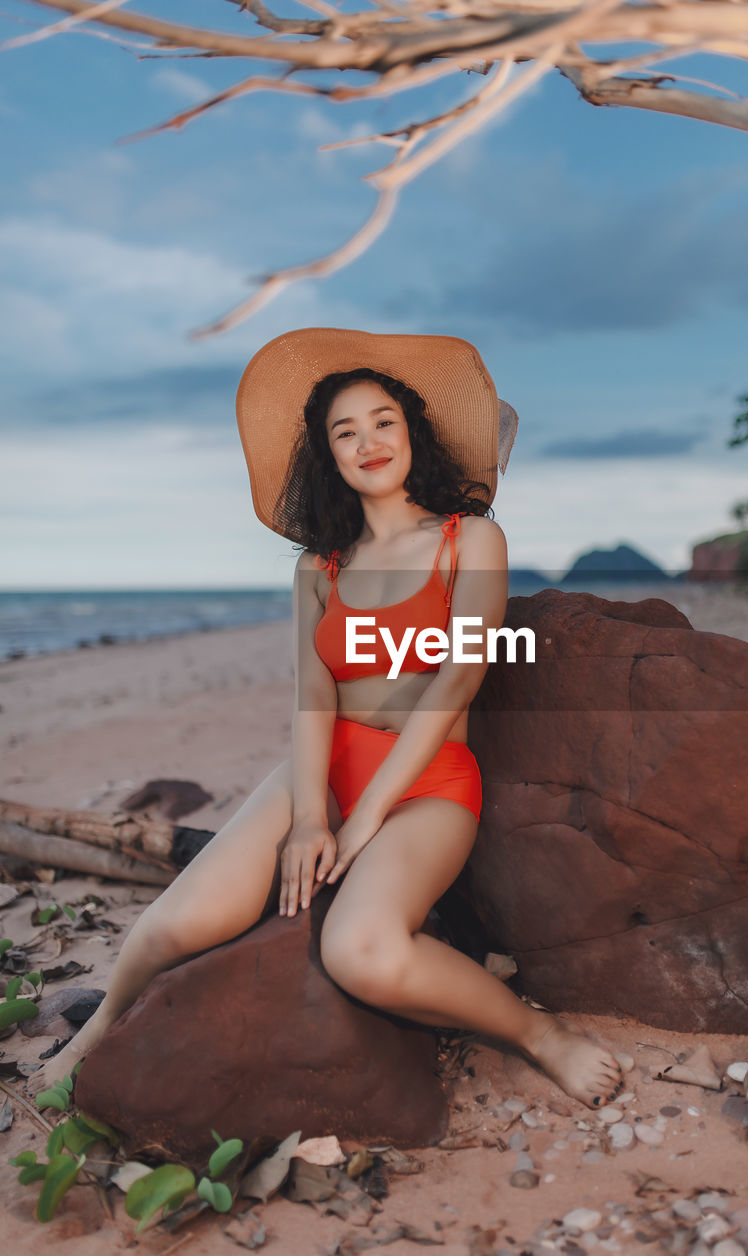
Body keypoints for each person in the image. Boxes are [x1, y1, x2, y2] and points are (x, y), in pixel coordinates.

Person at [26, 328, 624, 1112]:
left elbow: (459, 680)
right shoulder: (320, 567)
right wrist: (311, 816)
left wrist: (367, 814)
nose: (368, 442)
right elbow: (314, 699)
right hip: (324, 768)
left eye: (383, 421)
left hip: (429, 784)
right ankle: (99, 1025)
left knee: (362, 951)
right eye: (346, 432)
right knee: (182, 925)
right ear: (329, 456)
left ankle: (541, 1036)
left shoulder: (470, 540)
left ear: (412, 431)